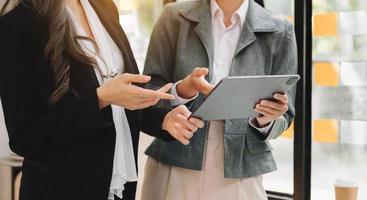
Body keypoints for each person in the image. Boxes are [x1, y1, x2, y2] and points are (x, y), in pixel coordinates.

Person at [0, 0, 204, 199]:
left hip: (118, 187)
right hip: (62, 189)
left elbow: (123, 100)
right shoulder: (18, 23)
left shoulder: (103, 7)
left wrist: (163, 119)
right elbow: (24, 137)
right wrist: (100, 98)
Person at [141, 0, 297, 199]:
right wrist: (183, 91)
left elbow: (285, 116)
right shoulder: (173, 17)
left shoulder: (280, 29)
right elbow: (149, 90)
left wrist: (265, 118)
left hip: (240, 167)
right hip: (176, 158)